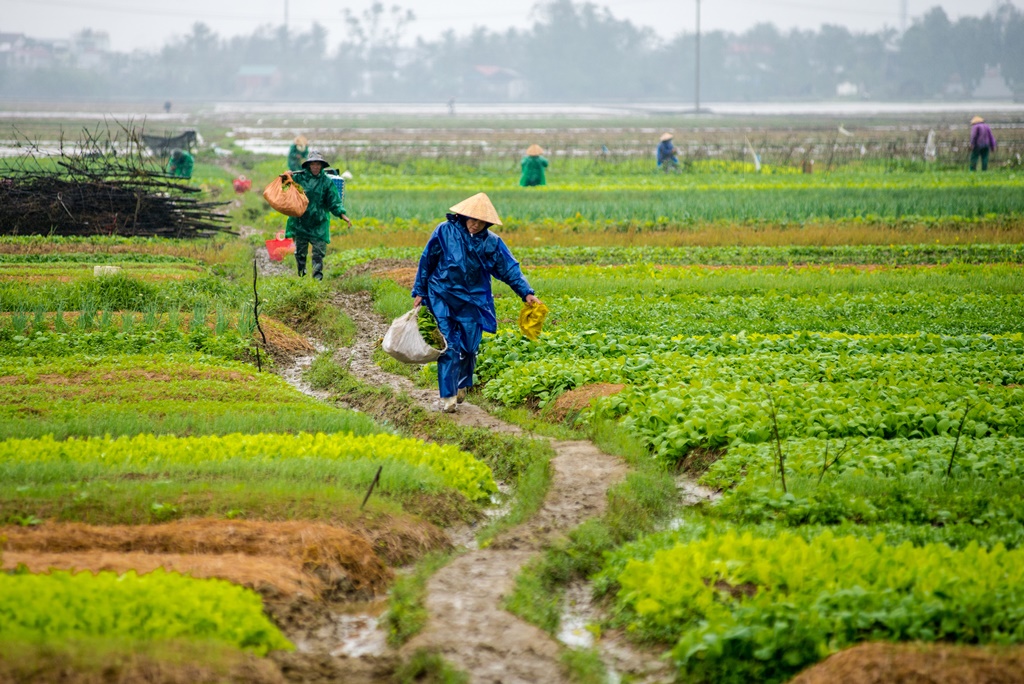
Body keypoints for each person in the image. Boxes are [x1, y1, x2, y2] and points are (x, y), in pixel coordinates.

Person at [412, 193, 542, 413]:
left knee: (470, 348)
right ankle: (448, 396)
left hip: (473, 300)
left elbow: (509, 269)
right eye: (472, 219)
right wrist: (420, 291)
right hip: (442, 294)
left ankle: (462, 383)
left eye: (481, 222)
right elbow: (427, 261)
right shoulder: (445, 231)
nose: (475, 225)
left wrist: (526, 293)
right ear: (463, 216)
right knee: (449, 345)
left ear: (487, 223)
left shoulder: (492, 243)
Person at [284, 150, 352, 281]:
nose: (315, 167)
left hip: (319, 222)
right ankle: (302, 276)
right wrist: (286, 177)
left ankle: (317, 279)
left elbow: (334, 201)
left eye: (318, 164)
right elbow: (285, 188)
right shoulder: (299, 178)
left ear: (321, 166)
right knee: (300, 253)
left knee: (318, 253)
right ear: (309, 165)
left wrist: (342, 214)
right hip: (301, 222)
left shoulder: (326, 182)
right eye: (313, 164)